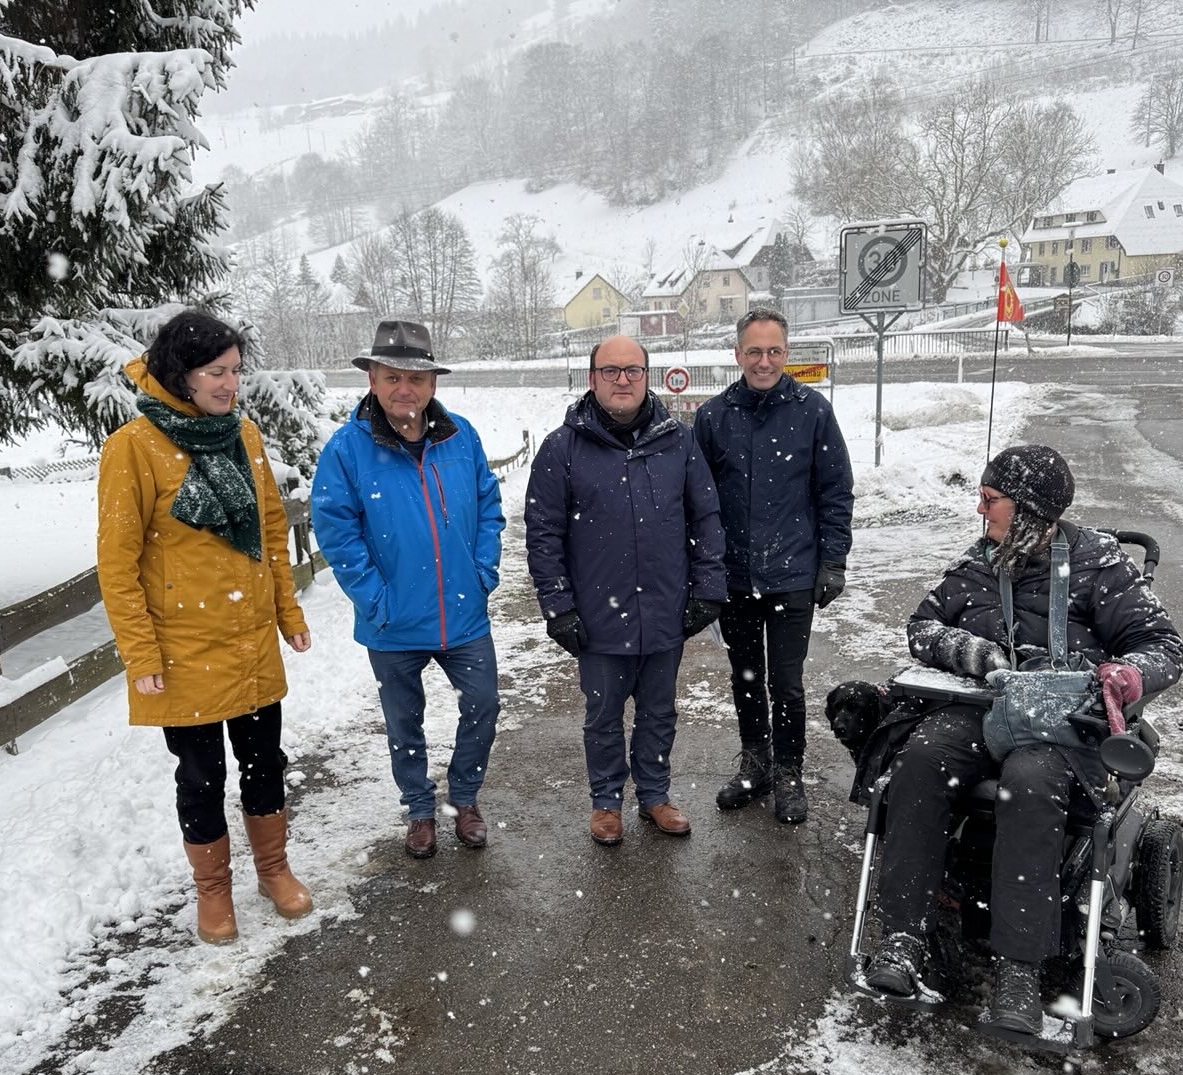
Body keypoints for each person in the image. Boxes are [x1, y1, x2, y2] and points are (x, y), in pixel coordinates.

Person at [857, 444, 1183, 1033]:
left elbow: (1164, 646)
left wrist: (1127, 674)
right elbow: (921, 626)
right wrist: (972, 652)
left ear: (1029, 509)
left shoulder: (1100, 566)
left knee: (1029, 783)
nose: (981, 512)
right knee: (922, 759)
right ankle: (904, 936)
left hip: (1062, 720)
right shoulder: (982, 561)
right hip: (988, 707)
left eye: (990, 499)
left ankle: (1018, 969)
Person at [97, 310, 315, 946]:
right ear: (181, 373)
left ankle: (273, 870)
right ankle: (212, 892)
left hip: (248, 641)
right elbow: (117, 563)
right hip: (181, 648)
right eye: (217, 372)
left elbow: (272, 530)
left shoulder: (243, 435)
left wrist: (288, 613)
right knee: (200, 777)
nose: (230, 385)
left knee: (263, 761)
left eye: (237, 372)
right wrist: (140, 654)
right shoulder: (132, 447)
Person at [310, 319, 504, 860]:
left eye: (416, 378)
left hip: (463, 615)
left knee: (483, 705)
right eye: (392, 376)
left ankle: (464, 799)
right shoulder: (348, 450)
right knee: (404, 721)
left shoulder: (460, 436)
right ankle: (420, 809)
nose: (405, 389)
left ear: (432, 385)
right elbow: (337, 532)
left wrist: (482, 570)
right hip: (392, 622)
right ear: (372, 379)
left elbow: (489, 507)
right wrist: (377, 599)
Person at [525, 336, 727, 845]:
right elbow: (543, 533)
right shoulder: (561, 447)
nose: (622, 380)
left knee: (659, 711)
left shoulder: (678, 441)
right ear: (591, 378)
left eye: (632, 370)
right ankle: (606, 802)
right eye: (610, 370)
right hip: (596, 615)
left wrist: (708, 588)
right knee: (603, 715)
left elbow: (705, 517)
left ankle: (654, 795)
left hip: (664, 609)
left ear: (647, 376)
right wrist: (558, 606)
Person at [694, 307, 855, 824]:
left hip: (792, 575)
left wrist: (833, 560)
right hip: (735, 578)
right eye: (754, 351)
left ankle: (788, 769)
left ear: (787, 354)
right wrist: (704, 571)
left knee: (785, 681)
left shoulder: (812, 411)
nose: (764, 361)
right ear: (737, 354)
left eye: (774, 351)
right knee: (745, 676)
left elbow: (835, 490)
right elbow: (696, 501)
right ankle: (755, 761)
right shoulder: (714, 417)